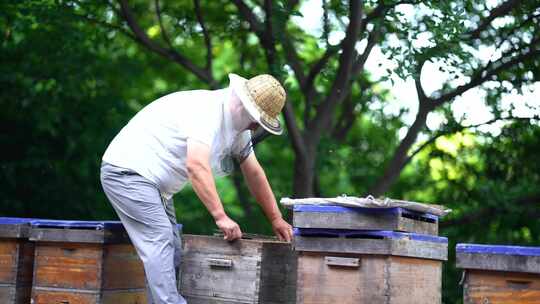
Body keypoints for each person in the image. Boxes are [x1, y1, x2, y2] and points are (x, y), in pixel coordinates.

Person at [99, 73, 293, 304]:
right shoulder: (207, 111)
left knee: (173, 250)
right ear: (244, 105)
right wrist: (220, 216)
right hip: (127, 172)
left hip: (157, 186)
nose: (254, 126)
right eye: (256, 120)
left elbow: (254, 173)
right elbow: (196, 165)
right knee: (160, 239)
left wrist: (276, 218)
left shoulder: (239, 129)